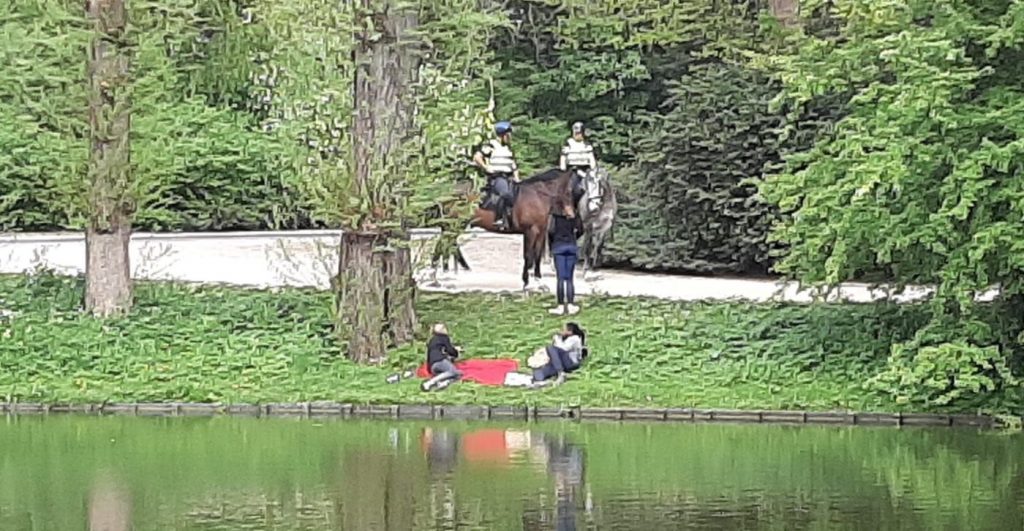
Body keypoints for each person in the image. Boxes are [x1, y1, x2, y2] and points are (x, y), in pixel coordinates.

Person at [473, 121, 520, 230]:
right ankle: (499, 219)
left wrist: (517, 178)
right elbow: (477, 157)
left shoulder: (508, 148)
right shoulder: (491, 146)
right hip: (498, 177)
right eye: (509, 134)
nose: (510, 137)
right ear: (503, 134)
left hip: (509, 177)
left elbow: (514, 166)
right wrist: (486, 167)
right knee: (505, 193)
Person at [548, 199, 584, 315]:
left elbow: (550, 232)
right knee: (569, 278)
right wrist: (573, 239)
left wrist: (553, 244)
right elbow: (581, 231)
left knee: (560, 278)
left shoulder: (555, 218)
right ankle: (570, 304)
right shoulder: (575, 218)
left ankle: (560, 305)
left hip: (559, 247)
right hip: (571, 248)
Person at [558, 121, 597, 206]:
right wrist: (562, 172)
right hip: (572, 171)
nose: (578, 135)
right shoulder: (568, 143)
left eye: (579, 133)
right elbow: (563, 158)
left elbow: (591, 159)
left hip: (586, 170)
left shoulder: (587, 145)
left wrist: (594, 170)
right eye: (576, 133)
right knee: (575, 189)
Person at [422, 323, 462, 391]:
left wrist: (429, 369)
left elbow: (430, 354)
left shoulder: (432, 340)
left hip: (432, 366)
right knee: (454, 372)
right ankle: (429, 382)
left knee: (458, 375)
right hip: (440, 361)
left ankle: (443, 383)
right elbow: (450, 351)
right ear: (443, 330)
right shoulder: (444, 337)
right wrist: (456, 352)